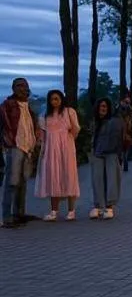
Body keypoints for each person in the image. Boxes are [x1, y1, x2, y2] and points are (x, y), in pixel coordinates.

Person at [35, 89, 81, 220]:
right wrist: (43, 150)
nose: (54, 102)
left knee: (69, 175)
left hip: (66, 147)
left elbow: (75, 128)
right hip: (51, 149)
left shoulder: (69, 112)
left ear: (61, 99)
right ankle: (54, 211)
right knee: (53, 176)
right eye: (52, 99)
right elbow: (43, 135)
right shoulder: (45, 115)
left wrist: (67, 140)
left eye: (57, 99)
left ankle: (71, 211)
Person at [1, 78, 41, 228]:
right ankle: (6, 217)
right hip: (15, 147)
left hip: (27, 147)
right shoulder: (7, 105)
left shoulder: (28, 107)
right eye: (18, 86)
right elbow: (4, 125)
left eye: (24, 86)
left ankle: (19, 213)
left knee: (22, 182)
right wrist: (7, 142)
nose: (21, 89)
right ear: (13, 88)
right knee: (11, 182)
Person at [88, 98, 126, 220]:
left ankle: (109, 206)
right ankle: (98, 205)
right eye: (100, 106)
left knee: (111, 180)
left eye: (105, 106)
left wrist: (119, 155)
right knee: (97, 179)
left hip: (112, 153)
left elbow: (119, 138)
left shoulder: (115, 121)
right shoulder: (95, 121)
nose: (102, 109)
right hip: (97, 153)